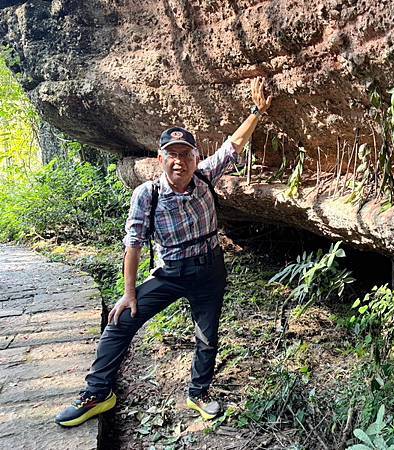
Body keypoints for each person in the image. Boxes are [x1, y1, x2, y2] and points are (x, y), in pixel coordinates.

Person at [55, 77, 273, 427]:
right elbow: (133, 243)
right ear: (160, 158)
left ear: (195, 157)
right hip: (170, 274)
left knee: (207, 335)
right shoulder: (147, 195)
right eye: (172, 155)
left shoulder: (204, 177)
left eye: (185, 154)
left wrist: (256, 111)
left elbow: (234, 145)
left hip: (209, 270)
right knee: (119, 323)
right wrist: (128, 293)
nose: (179, 162)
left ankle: (198, 394)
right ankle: (98, 393)